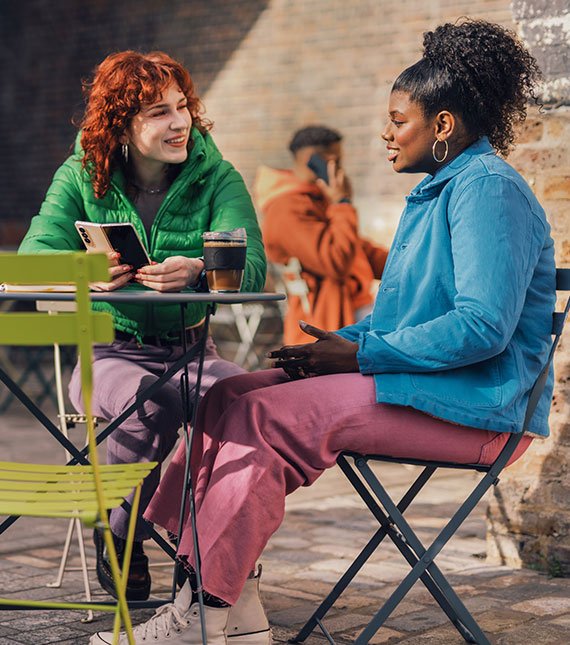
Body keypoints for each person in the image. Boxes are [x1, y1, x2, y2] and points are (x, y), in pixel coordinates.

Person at [91, 19, 556, 645]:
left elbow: (483, 328)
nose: (385, 133)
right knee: (227, 395)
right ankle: (238, 609)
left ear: (443, 125)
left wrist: (361, 356)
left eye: (398, 121)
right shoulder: (438, 192)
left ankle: (200, 612)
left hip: (480, 409)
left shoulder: (487, 191)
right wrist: (336, 347)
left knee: (268, 418)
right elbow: (399, 321)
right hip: (424, 386)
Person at [18, 51, 266, 603]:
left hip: (194, 351)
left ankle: (205, 549)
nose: (180, 123)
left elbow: (252, 265)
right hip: (108, 352)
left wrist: (200, 269)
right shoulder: (82, 175)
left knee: (248, 403)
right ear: (121, 125)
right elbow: (33, 259)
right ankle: (122, 533)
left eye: (182, 107)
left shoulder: (217, 176)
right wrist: (81, 270)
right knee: (147, 401)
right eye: (158, 112)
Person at [254, 125, 388, 344]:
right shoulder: (286, 209)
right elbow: (336, 260)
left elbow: (357, 247)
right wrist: (342, 203)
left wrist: (408, 266)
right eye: (336, 161)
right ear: (312, 160)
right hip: (327, 319)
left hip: (356, 306)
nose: (341, 170)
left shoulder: (317, 198)